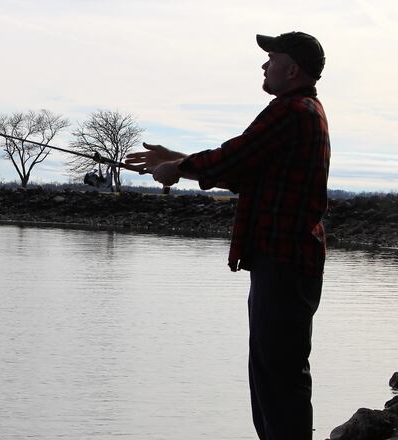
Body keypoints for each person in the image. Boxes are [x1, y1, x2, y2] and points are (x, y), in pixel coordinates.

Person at [125, 31, 330, 440]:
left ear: (292, 69)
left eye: (271, 57)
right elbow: (242, 169)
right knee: (273, 373)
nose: (263, 64)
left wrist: (175, 168)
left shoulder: (291, 111)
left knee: (278, 375)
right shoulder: (304, 111)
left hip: (283, 262)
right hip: (285, 261)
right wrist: (175, 159)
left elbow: (232, 158)